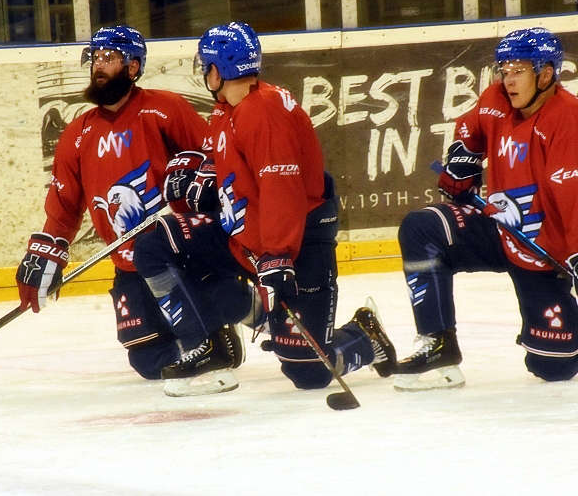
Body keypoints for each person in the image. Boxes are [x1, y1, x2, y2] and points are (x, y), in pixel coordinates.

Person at [134, 21, 397, 396]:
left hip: (298, 241)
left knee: (309, 372)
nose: (202, 72)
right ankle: (206, 347)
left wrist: (276, 255)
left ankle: (364, 337)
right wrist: (196, 183)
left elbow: (280, 188)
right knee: (156, 244)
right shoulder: (227, 111)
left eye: (205, 65)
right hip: (247, 239)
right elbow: (226, 167)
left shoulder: (265, 111)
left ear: (219, 68)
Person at [14, 25, 245, 383]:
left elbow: (215, 153)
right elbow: (63, 204)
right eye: (95, 59)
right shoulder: (77, 135)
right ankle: (211, 335)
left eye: (110, 58)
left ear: (134, 67)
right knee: (150, 362)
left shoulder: (165, 108)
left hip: (178, 253)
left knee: (226, 299)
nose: (99, 66)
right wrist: (46, 252)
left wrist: (197, 171)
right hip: (129, 263)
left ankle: (226, 322)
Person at [394, 27, 578, 391]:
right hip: (499, 228)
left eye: (519, 70)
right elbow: (471, 125)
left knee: (551, 367)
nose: (508, 79)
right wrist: (464, 156)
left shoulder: (571, 119)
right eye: (504, 69)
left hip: (545, 249)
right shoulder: (498, 99)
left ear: (546, 74)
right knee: (422, 228)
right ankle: (439, 345)